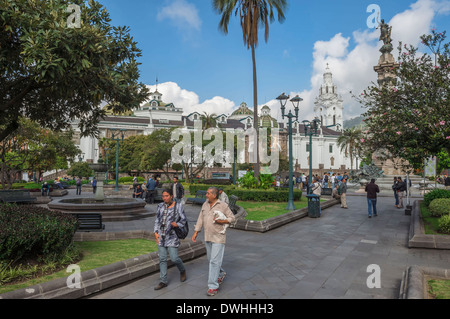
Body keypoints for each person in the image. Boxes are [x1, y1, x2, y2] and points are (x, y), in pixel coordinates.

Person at [192, 187, 235, 297]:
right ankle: (220, 273)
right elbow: (200, 218)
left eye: (208, 193)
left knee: (214, 262)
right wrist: (196, 231)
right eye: (206, 193)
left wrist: (223, 221)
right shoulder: (205, 204)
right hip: (208, 236)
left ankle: (213, 286)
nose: (206, 195)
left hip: (219, 237)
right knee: (211, 259)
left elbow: (232, 218)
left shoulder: (222, 205)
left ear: (214, 195)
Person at [153, 189, 187, 290]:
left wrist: (178, 224)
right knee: (162, 259)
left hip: (172, 237)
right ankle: (163, 281)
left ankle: (182, 270)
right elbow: (157, 220)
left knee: (174, 258)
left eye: (167, 196)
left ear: (171, 196)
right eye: (163, 196)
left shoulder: (178, 206)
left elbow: (184, 219)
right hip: (161, 236)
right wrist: (155, 232)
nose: (164, 198)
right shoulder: (160, 206)